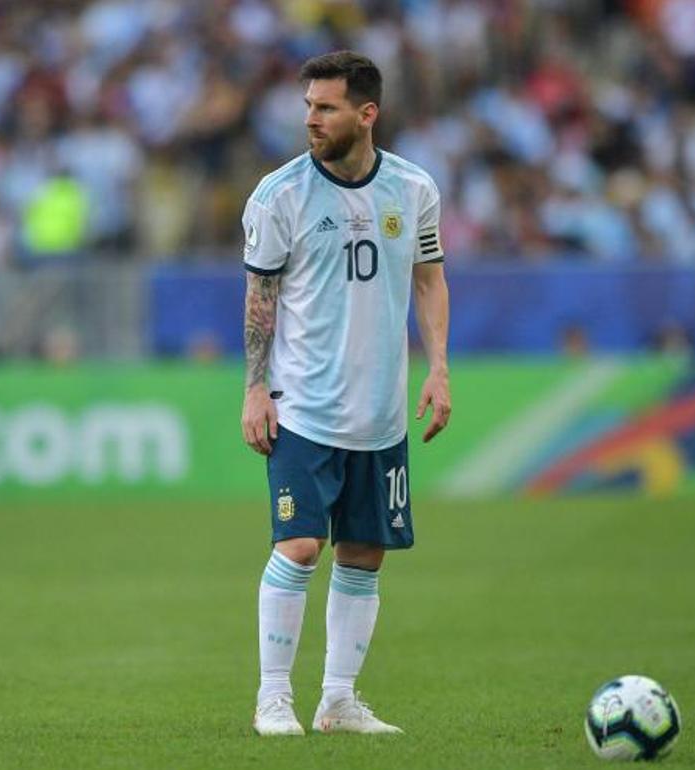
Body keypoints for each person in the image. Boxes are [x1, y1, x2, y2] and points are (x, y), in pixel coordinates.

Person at [240, 51, 451, 737]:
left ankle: (338, 701)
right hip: (302, 407)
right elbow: (260, 296)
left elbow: (429, 279)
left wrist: (439, 369)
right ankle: (273, 698)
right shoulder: (280, 195)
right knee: (301, 545)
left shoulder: (413, 188)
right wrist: (254, 389)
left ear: (366, 114)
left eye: (325, 108)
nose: (311, 118)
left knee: (363, 554)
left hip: (380, 413)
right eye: (308, 106)